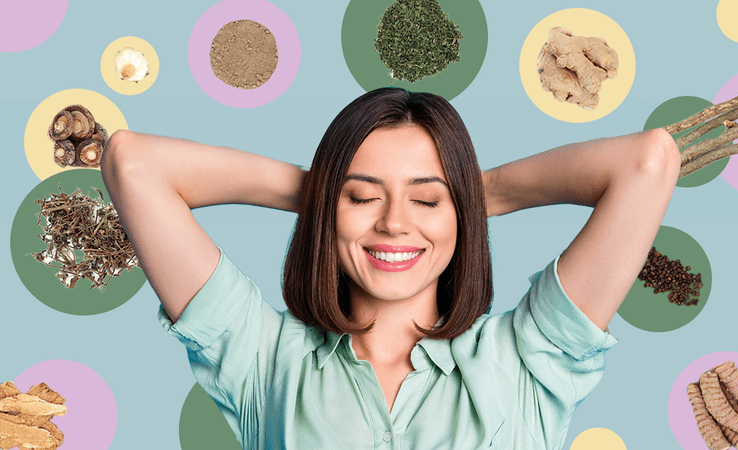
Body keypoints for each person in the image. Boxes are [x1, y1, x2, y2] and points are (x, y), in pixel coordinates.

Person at [101, 88, 680, 449]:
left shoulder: (529, 361)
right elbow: (133, 164)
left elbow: (647, 162)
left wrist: (479, 194)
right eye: (363, 199)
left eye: (427, 201)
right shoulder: (263, 360)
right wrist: (324, 189)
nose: (395, 224)